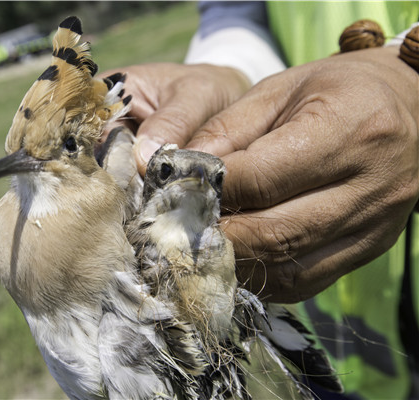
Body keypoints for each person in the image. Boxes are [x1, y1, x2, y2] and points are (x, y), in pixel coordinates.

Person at [106, 2, 419, 399]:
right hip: (339, 338)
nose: (197, 181)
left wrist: (410, 79)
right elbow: (234, 9)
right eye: (167, 172)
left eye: (215, 181)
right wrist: (228, 67)